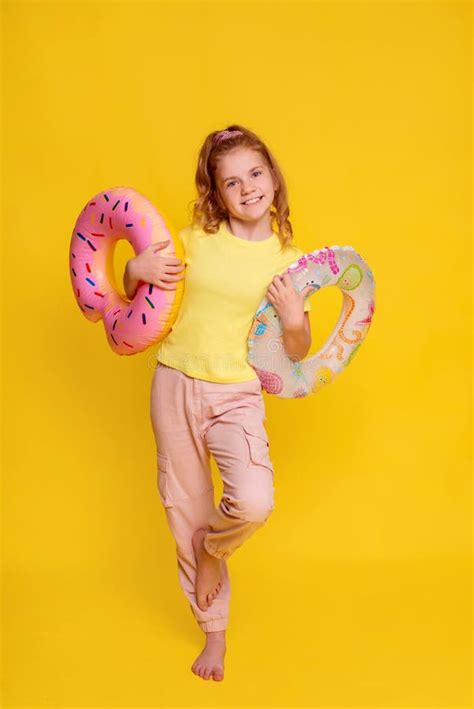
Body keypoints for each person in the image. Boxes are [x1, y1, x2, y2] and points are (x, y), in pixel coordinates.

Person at [123, 124, 314, 681]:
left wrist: (296, 318)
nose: (248, 188)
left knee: (253, 501)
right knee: (184, 506)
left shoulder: (291, 261)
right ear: (217, 193)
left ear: (274, 178)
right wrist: (137, 269)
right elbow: (139, 294)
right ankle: (215, 635)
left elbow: (297, 350)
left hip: (238, 393)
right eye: (232, 182)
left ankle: (215, 548)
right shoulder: (192, 242)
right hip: (175, 382)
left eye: (256, 173)